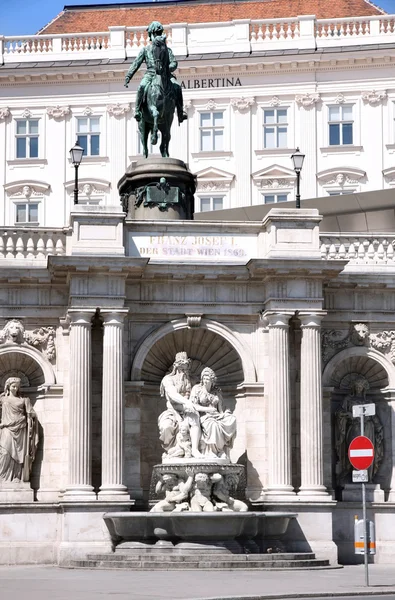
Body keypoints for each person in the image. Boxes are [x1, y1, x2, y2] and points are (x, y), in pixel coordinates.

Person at [124, 21, 187, 125]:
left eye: (159, 33)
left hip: (165, 74)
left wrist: (166, 68)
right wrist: (128, 76)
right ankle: (138, 111)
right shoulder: (145, 50)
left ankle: (180, 112)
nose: (157, 36)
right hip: (150, 74)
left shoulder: (167, 50)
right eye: (155, 33)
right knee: (141, 87)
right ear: (151, 35)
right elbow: (136, 63)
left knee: (177, 87)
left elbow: (174, 63)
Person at [335, 375, 384, 483]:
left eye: (361, 386)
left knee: (368, 451)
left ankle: (367, 478)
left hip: (368, 427)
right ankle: (355, 477)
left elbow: (373, 416)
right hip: (354, 427)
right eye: (357, 386)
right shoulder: (348, 399)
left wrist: (378, 427)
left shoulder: (369, 400)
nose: (358, 388)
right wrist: (348, 414)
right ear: (353, 387)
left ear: (364, 387)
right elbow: (339, 412)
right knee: (355, 450)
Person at [159, 352, 202, 458]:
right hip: (173, 410)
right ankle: (171, 449)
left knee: (194, 417)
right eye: (181, 368)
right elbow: (172, 394)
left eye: (186, 368)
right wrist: (187, 402)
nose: (184, 371)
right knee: (166, 427)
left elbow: (201, 392)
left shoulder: (193, 380)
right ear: (176, 367)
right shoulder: (168, 379)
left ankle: (195, 449)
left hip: (189, 410)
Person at [190, 367, 236, 460]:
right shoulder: (197, 389)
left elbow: (220, 409)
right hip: (203, 416)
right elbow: (193, 406)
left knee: (231, 419)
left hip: (216, 415)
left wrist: (223, 414)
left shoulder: (216, 391)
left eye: (208, 379)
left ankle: (221, 451)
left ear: (212, 380)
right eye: (204, 378)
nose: (205, 381)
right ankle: (212, 451)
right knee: (213, 425)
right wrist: (208, 410)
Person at [0, 377, 38, 483]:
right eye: (13, 386)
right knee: (4, 452)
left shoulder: (24, 400)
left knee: (18, 454)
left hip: (21, 428)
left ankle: (16, 477)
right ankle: (3, 477)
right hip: (7, 428)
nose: (15, 388)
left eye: (17, 386)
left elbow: (31, 413)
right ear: (8, 386)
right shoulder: (3, 399)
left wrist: (31, 415)